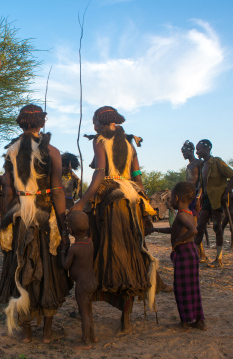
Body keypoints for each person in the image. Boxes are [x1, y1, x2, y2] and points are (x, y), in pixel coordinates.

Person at [71, 106, 158, 335]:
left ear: (101, 122)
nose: (93, 126)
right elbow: (137, 174)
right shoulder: (129, 143)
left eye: (94, 122)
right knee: (132, 253)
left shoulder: (100, 140)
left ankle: (87, 302)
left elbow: (100, 172)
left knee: (98, 250)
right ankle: (126, 319)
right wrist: (143, 198)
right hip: (132, 197)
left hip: (110, 200)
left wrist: (82, 201)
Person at [0, 104, 72, 344]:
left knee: (20, 266)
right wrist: (63, 227)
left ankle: (27, 333)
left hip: (19, 218)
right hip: (45, 217)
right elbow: (58, 191)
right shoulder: (52, 151)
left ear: (21, 123)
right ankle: (48, 333)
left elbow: (8, 193)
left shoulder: (11, 152)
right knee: (48, 270)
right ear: (41, 123)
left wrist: (5, 225)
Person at [149, 182, 206, 331]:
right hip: (190, 253)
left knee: (181, 289)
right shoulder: (188, 213)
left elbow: (193, 231)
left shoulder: (181, 215)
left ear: (176, 197)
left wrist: (178, 241)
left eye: (170, 198)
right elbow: (174, 229)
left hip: (184, 253)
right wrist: (155, 230)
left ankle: (185, 322)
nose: (169, 201)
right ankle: (199, 320)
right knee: (192, 288)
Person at [193, 140, 233, 268]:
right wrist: (198, 197)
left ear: (207, 149)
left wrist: (225, 193)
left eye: (199, 149)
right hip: (206, 199)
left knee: (217, 227)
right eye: (196, 149)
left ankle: (219, 259)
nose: (197, 152)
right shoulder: (202, 165)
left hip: (217, 199)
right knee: (200, 227)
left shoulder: (217, 162)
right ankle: (195, 256)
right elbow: (202, 184)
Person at [60, 211, 98, 349]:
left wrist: (63, 251)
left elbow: (65, 265)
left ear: (70, 230)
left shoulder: (74, 248)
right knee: (89, 310)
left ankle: (86, 341)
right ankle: (93, 336)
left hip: (82, 286)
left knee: (84, 313)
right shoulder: (90, 242)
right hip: (92, 282)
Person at [181, 140, 209, 261]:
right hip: (190, 196)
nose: (183, 154)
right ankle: (197, 253)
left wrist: (198, 197)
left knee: (195, 226)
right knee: (190, 225)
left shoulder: (199, 163)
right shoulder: (188, 166)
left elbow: (202, 182)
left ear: (191, 150)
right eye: (182, 152)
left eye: (185, 151)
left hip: (197, 196)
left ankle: (201, 254)